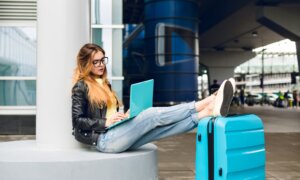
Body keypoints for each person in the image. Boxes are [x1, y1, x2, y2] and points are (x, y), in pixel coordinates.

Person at [72, 43, 236, 153]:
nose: (101, 64)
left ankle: (206, 113)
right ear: (85, 63)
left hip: (117, 133)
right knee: (151, 115)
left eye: (102, 60)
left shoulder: (104, 84)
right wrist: (106, 122)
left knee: (159, 130)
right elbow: (77, 121)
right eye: (96, 62)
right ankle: (206, 102)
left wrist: (126, 116)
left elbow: (109, 113)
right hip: (104, 140)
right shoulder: (80, 86)